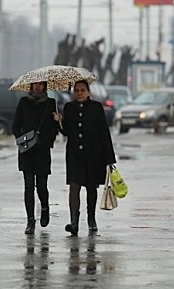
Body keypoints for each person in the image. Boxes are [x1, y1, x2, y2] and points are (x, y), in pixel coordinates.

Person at [54, 80, 116, 236]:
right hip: (74, 154)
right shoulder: (69, 107)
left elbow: (104, 133)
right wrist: (59, 122)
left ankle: (91, 219)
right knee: (74, 187)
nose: (79, 93)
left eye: (82, 90)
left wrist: (109, 159)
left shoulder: (96, 108)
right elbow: (66, 132)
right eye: (77, 91)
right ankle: (74, 222)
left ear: (88, 92)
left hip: (93, 154)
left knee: (91, 187)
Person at [12, 81, 59, 234]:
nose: (37, 87)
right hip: (26, 151)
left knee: (41, 186)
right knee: (28, 186)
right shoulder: (24, 102)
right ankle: (30, 220)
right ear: (30, 86)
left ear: (45, 86)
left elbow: (54, 128)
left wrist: (47, 140)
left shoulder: (50, 103)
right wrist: (22, 139)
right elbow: (15, 125)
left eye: (40, 84)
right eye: (35, 84)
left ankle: (45, 207)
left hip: (42, 150)